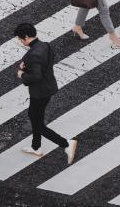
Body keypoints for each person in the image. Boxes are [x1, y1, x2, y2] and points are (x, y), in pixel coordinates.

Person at [14, 22, 78, 163]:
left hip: (40, 92)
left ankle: (66, 144)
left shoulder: (33, 54)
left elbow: (36, 76)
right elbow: (45, 64)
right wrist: (26, 66)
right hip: (48, 87)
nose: (20, 41)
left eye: (20, 39)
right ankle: (36, 147)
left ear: (25, 37)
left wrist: (21, 74)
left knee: (37, 124)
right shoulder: (45, 45)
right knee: (35, 116)